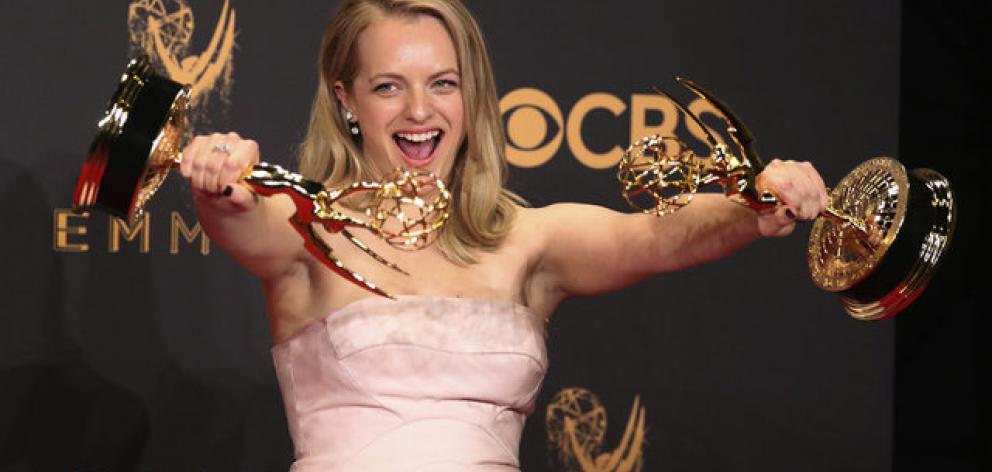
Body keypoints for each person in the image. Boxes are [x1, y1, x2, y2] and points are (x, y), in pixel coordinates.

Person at [178, 0, 828, 470]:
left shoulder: (526, 242)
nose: (419, 111)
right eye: (388, 87)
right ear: (346, 100)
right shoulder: (307, 231)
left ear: (471, 96)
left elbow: (652, 240)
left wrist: (756, 205)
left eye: (443, 84)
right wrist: (219, 185)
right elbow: (241, 220)